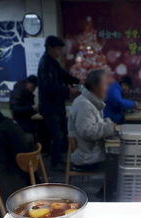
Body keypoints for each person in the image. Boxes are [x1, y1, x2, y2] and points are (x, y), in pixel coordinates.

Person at [38, 35, 80, 170]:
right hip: (50, 107)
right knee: (56, 136)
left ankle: (58, 160)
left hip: (56, 106)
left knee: (61, 135)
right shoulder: (45, 63)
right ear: (50, 48)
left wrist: (79, 82)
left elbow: (64, 76)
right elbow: (49, 86)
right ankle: (54, 164)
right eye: (58, 49)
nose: (59, 52)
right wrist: (69, 91)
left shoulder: (53, 63)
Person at [68, 69, 116, 167]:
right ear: (95, 86)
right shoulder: (84, 105)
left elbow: (94, 125)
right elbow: (87, 132)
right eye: (105, 84)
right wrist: (109, 128)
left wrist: (108, 124)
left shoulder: (90, 103)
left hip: (90, 153)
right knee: (118, 161)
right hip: (87, 157)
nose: (107, 88)